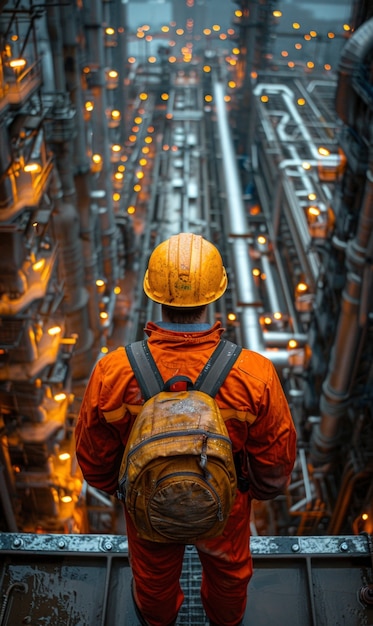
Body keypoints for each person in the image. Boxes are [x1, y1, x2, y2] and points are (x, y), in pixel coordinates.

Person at [75, 232, 297, 626]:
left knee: (153, 580)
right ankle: (225, 622)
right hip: (225, 502)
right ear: (215, 295)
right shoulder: (254, 374)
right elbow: (275, 462)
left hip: (147, 501)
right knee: (230, 575)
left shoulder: (113, 371)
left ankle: (158, 622)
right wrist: (251, 489)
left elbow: (93, 459)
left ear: (154, 294)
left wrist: (125, 488)